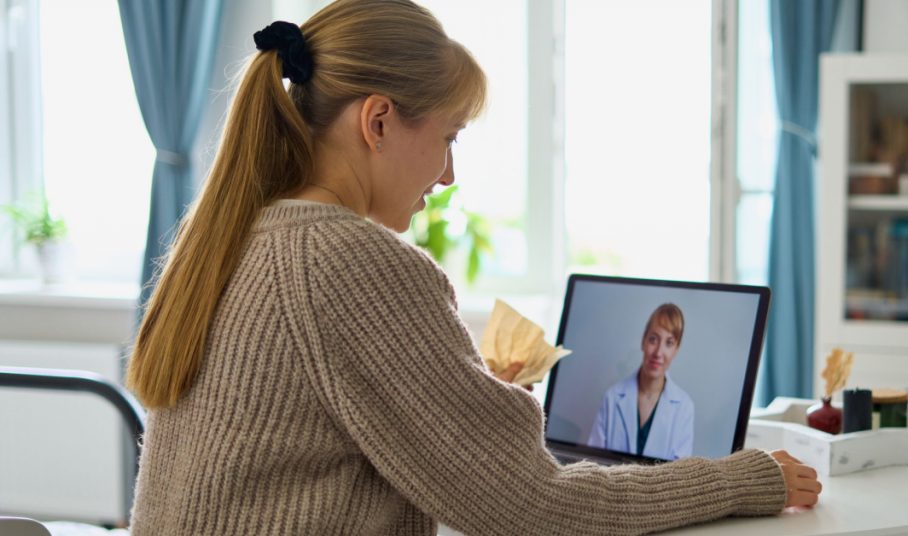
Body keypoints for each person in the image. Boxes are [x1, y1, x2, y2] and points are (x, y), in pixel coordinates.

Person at [126, 1, 822, 534]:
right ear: (377, 121)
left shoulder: (231, 236)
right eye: (449, 138)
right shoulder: (351, 262)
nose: (450, 174)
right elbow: (534, 508)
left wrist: (460, 397)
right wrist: (743, 480)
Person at [588, 303, 694, 460]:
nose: (658, 352)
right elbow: (591, 463)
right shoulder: (612, 397)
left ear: (676, 350)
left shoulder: (684, 407)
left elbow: (680, 476)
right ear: (643, 341)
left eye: (669, 343)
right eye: (653, 340)